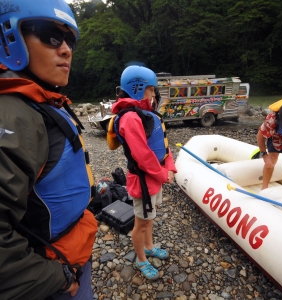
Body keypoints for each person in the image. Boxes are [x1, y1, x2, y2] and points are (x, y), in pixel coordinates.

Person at [0, 1, 98, 299]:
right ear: (10, 38)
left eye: (69, 40)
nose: (66, 49)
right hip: (51, 276)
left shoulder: (41, 104)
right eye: (51, 36)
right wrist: (56, 278)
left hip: (71, 255)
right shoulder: (14, 117)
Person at [111, 65, 177, 280]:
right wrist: (161, 174)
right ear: (137, 88)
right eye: (150, 89)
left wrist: (170, 168)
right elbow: (142, 155)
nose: (153, 94)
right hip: (143, 181)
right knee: (141, 224)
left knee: (149, 218)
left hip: (155, 178)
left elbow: (162, 146)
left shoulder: (146, 114)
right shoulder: (130, 118)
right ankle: (141, 259)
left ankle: (149, 246)